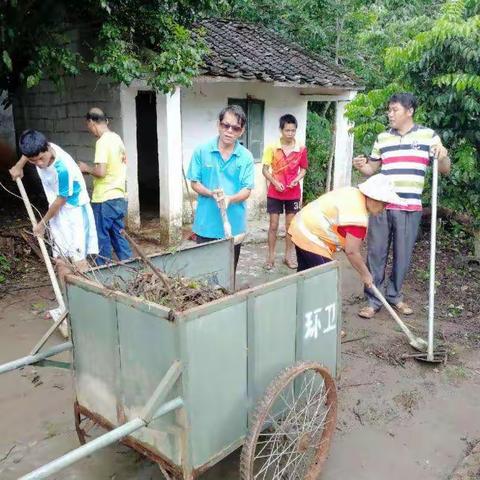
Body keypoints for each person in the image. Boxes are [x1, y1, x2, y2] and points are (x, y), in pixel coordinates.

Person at [353, 92, 450, 319]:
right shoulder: (382, 138)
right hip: (382, 205)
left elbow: (444, 168)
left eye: (394, 109)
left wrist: (443, 154)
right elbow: (371, 169)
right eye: (389, 109)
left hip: (410, 206)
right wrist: (361, 165)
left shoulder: (429, 136)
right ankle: (373, 299)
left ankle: (394, 296)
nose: (390, 113)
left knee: (402, 255)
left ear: (410, 111)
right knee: (376, 253)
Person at [288, 175, 407, 288]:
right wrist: (365, 274)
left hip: (300, 225)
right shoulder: (358, 217)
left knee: (304, 275)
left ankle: (299, 306)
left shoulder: (353, 192)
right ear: (373, 198)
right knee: (326, 280)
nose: (384, 208)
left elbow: (347, 244)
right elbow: (352, 252)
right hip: (311, 235)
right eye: (384, 203)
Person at [9, 130, 98, 270]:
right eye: (33, 161)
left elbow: (61, 199)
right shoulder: (38, 147)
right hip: (56, 211)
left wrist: (43, 223)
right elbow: (28, 153)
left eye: (41, 158)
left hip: (74, 210)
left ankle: (84, 288)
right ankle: (65, 291)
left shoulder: (63, 168)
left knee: (78, 258)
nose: (38, 163)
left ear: (47, 148)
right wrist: (19, 165)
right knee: (60, 257)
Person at [186, 105, 255, 273]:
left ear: (242, 131)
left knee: (228, 273)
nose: (229, 131)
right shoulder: (202, 151)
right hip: (206, 225)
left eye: (235, 128)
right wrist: (210, 193)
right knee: (204, 275)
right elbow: (194, 182)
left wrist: (230, 199)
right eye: (226, 125)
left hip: (234, 227)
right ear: (219, 124)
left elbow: (247, 190)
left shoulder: (246, 156)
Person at [78, 107, 132, 265]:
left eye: (88, 126)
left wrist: (85, 168)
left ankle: (103, 273)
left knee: (101, 238)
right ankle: (132, 268)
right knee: (118, 234)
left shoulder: (102, 142)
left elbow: (101, 171)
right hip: (119, 197)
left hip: (104, 198)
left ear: (91, 122)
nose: (90, 130)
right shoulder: (117, 139)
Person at [262, 114, 308, 270]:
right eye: (287, 130)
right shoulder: (272, 147)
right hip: (274, 193)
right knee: (273, 225)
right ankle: (270, 257)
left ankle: (288, 256)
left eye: (293, 131)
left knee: (290, 226)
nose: (290, 134)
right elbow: (265, 169)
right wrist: (274, 182)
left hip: (293, 193)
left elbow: (303, 169)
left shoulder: (301, 148)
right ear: (281, 130)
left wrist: (297, 179)